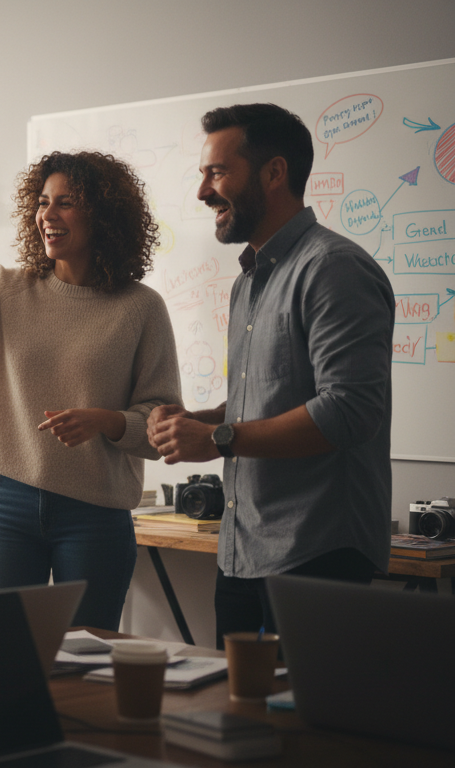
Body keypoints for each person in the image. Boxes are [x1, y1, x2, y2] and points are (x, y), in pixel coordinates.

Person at [0, 127, 181, 630]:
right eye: (43, 202)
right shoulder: (5, 291)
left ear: (102, 214)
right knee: (1, 655)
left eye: (66, 203)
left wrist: (108, 422)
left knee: (88, 659)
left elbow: (160, 424)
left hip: (96, 513)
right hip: (9, 503)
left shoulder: (141, 309)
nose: (48, 215)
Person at [146, 103, 394, 647]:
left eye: (217, 172)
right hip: (243, 552)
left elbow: (350, 411)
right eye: (202, 174)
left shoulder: (333, 269)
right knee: (241, 720)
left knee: (310, 729)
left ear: (274, 173)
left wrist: (218, 438)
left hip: (317, 552)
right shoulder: (250, 280)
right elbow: (261, 401)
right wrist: (201, 420)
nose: (202, 192)